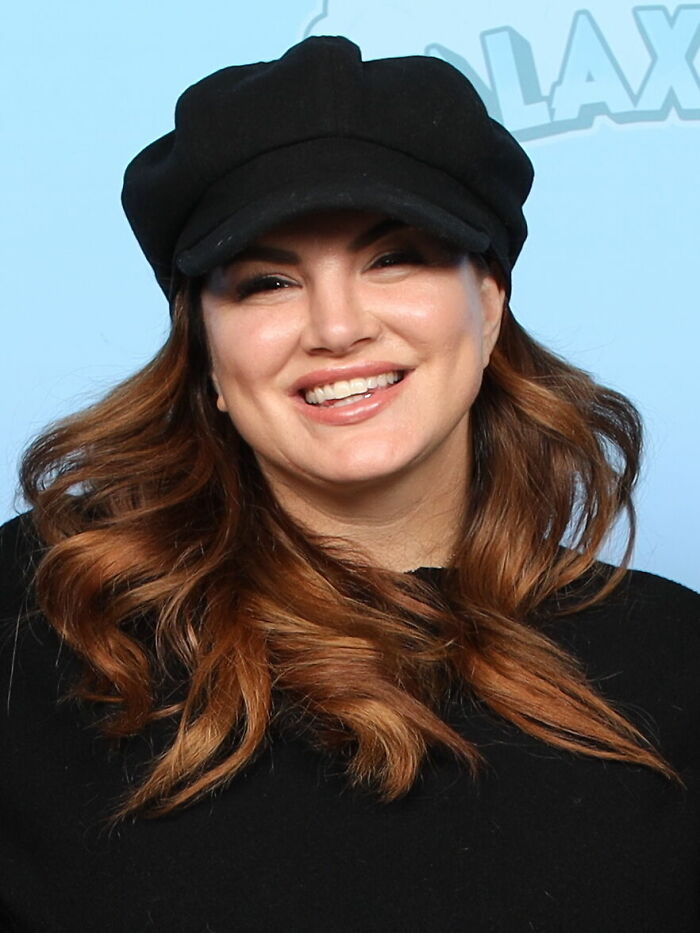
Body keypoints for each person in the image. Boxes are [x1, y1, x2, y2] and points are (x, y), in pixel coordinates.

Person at [0, 34, 698, 933]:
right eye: (267, 281)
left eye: (393, 257)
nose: (336, 327)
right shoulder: (46, 620)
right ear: (207, 350)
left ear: (488, 303)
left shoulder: (673, 662)